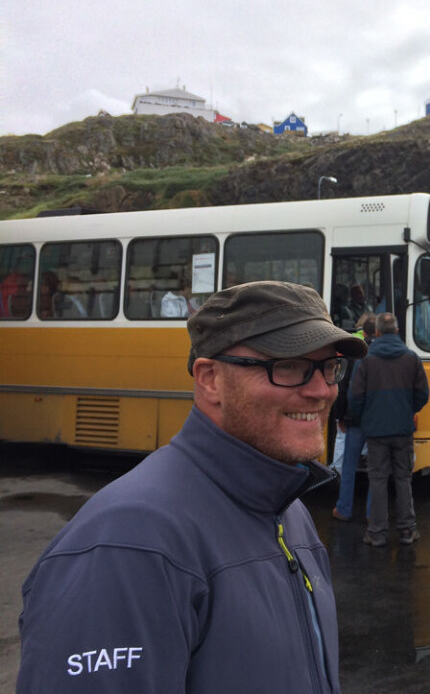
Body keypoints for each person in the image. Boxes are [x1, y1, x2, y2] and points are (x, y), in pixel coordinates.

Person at [17, 280, 367, 694]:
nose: (322, 390)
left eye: (329, 368)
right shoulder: (128, 544)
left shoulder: (288, 510)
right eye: (288, 366)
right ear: (210, 379)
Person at [349, 311, 429, 547]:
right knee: (403, 478)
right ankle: (407, 530)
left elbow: (355, 397)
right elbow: (423, 395)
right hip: (402, 429)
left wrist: (365, 417)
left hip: (375, 431)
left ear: (375, 332)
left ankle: (376, 533)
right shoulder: (411, 358)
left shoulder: (366, 360)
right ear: (396, 331)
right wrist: (408, 409)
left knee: (378, 480)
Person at [331, 314, 376, 521]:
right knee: (377, 470)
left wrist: (342, 416)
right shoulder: (390, 355)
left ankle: (344, 509)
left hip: (355, 420)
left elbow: (345, 389)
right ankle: (371, 514)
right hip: (376, 421)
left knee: (348, 465)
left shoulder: (354, 351)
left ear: (364, 332)